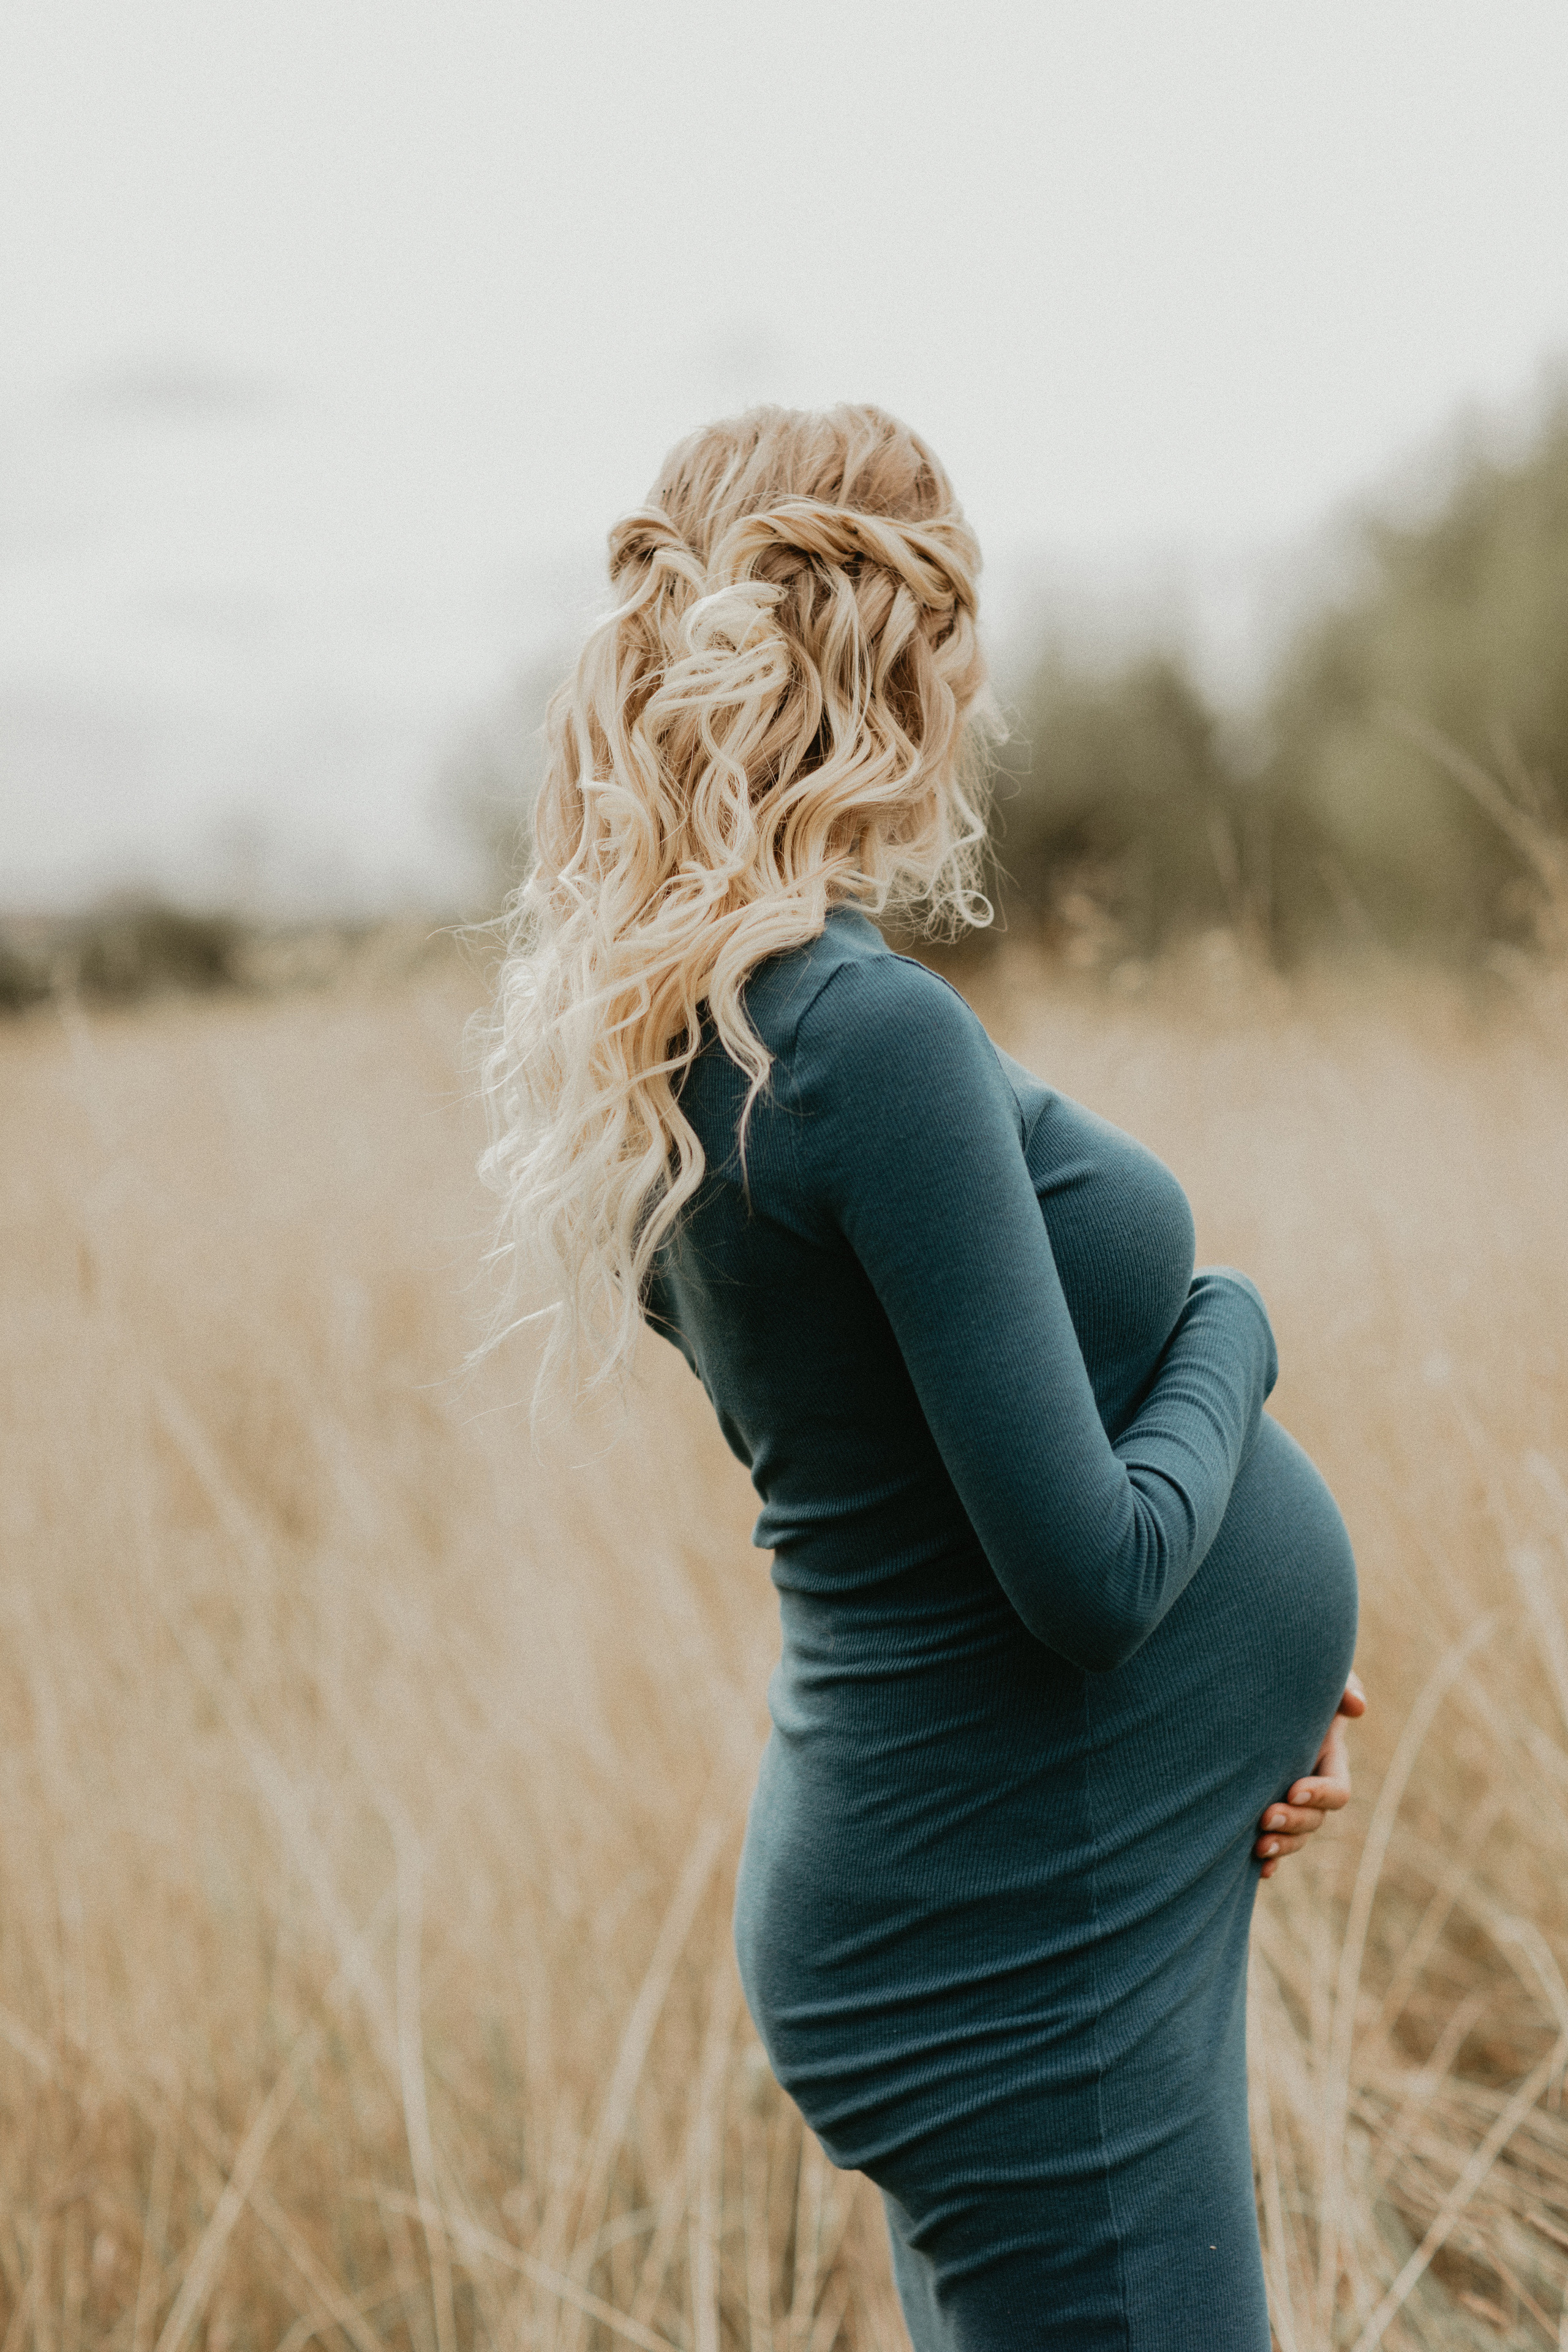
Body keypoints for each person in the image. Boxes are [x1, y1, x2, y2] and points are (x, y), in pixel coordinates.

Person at [480, 402, 1365, 2350]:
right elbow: (1095, 1576)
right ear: (916, 655)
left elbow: (900, 1509)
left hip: (1009, 1873)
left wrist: (1232, 1726)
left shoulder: (696, 1050)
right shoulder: (868, 1043)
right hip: (1008, 1938)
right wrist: (1239, 1323)